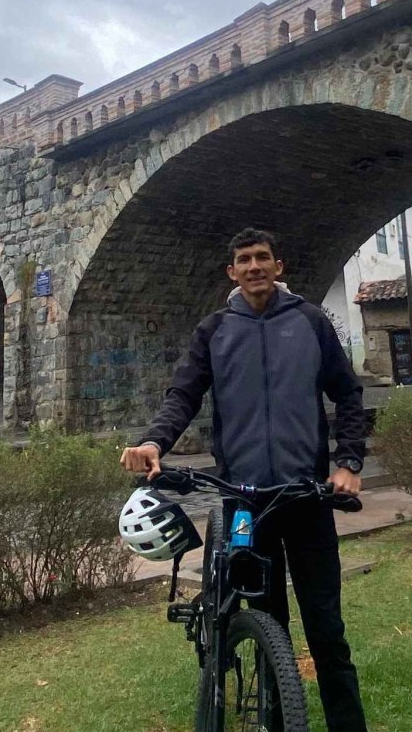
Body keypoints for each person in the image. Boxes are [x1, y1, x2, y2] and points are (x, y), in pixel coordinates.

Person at [121, 227, 369, 732]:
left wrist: (348, 464)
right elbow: (183, 394)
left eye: (262, 258)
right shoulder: (214, 329)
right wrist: (154, 443)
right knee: (264, 620)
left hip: (306, 496)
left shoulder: (311, 322)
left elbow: (348, 395)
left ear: (279, 267)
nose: (254, 266)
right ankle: (276, 720)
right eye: (244, 260)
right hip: (243, 502)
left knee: (327, 630)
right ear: (232, 273)